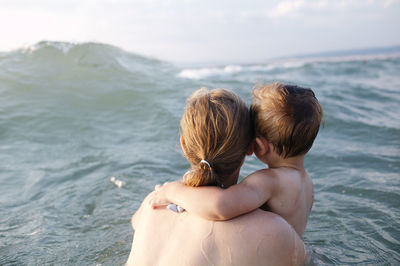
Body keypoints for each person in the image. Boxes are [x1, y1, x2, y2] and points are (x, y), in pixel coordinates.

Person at [126, 88, 305, 266]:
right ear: (251, 147)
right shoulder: (273, 232)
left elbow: (134, 225)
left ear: (183, 144)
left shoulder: (152, 204)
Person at [151, 82, 323, 236]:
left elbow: (220, 206)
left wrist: (172, 191)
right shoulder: (306, 182)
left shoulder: (270, 181)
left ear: (259, 146)